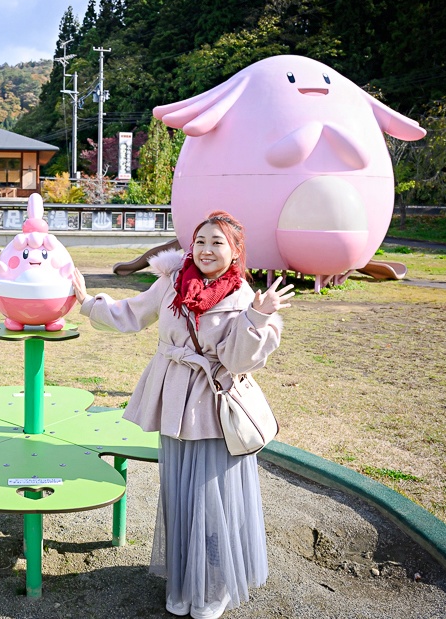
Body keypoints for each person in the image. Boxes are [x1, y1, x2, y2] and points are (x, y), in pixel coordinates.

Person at [71, 211, 294, 619]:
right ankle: (183, 582)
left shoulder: (244, 297)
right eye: (201, 241)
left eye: (218, 242)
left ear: (235, 251)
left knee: (214, 497)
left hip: (214, 407)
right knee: (178, 492)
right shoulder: (173, 282)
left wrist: (259, 317)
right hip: (173, 400)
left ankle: (213, 587)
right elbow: (130, 315)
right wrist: (87, 304)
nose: (207, 250)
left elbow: (236, 359)